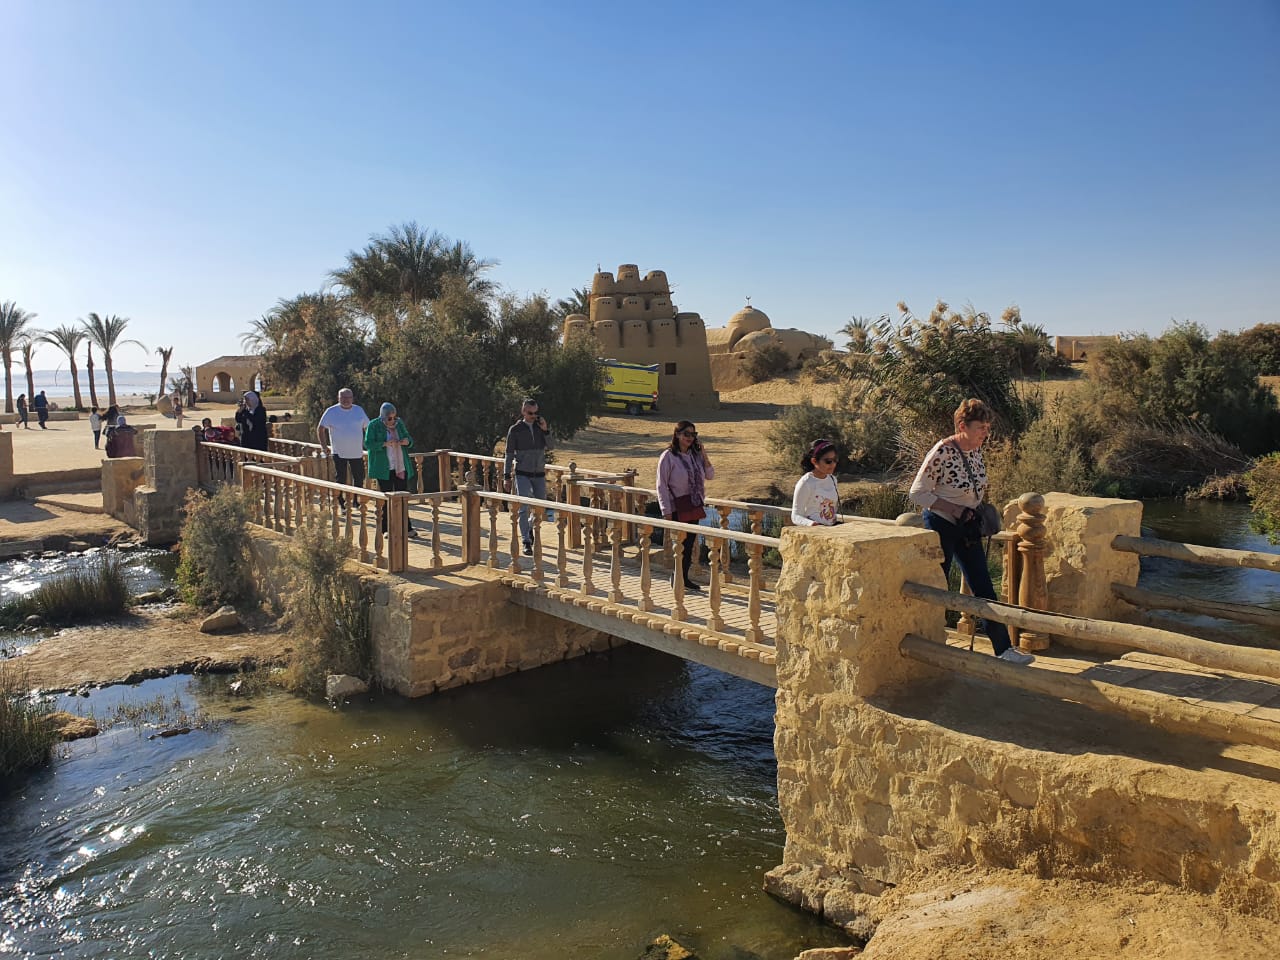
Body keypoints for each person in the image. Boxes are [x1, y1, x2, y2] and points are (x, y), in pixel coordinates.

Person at [909, 398, 1034, 665]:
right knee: (938, 585)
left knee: (983, 585)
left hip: (967, 527)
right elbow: (917, 493)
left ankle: (1003, 649)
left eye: (987, 428)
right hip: (941, 525)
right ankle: (927, 643)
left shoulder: (975, 451)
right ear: (962, 426)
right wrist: (955, 509)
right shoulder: (942, 451)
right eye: (981, 428)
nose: (985, 433)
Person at [656, 419, 715, 592]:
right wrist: (666, 511)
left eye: (693, 434)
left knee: (689, 545)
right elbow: (661, 485)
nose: (690, 438)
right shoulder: (668, 456)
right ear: (677, 435)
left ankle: (683, 577)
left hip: (694, 505)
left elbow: (710, 475)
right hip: (676, 507)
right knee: (679, 545)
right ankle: (676, 577)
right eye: (686, 434)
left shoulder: (695, 456)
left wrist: (704, 454)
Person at [502, 398, 552, 556]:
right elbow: (509, 454)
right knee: (523, 507)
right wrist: (506, 476)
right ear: (523, 412)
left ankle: (529, 527)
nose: (533, 416)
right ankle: (526, 541)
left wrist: (545, 430)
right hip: (522, 472)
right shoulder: (515, 430)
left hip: (539, 473)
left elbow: (551, 446)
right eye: (530, 413)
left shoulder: (539, 427)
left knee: (540, 506)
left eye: (536, 413)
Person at [364, 402, 416, 535]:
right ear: (383, 417)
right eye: (389, 418)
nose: (392, 420)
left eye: (394, 417)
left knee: (403, 498)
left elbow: (409, 439)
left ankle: (407, 528)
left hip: (400, 466)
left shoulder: (399, 423)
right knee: (386, 498)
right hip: (383, 468)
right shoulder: (373, 425)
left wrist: (406, 441)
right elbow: (368, 444)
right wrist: (384, 444)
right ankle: (385, 528)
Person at [318, 387, 370, 509]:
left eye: (349, 397)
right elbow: (320, 428)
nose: (346, 400)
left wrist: (369, 444)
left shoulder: (358, 410)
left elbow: (368, 427)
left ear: (352, 398)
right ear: (338, 398)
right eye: (343, 397)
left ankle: (356, 501)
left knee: (359, 478)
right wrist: (324, 446)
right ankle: (341, 502)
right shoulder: (331, 411)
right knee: (341, 478)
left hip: (356, 452)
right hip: (339, 452)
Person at [792, 439, 841, 526]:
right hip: (814, 531)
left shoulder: (833, 480)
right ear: (814, 461)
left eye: (835, 460)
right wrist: (812, 524)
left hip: (832, 530)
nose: (833, 464)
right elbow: (796, 516)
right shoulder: (806, 483)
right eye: (828, 461)